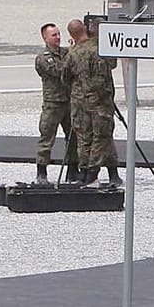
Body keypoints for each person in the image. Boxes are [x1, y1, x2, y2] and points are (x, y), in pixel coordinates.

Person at [63, 18, 119, 185]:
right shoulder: (102, 49)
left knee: (84, 138)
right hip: (101, 102)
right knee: (101, 137)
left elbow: (65, 77)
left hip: (80, 103)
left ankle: (85, 170)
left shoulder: (72, 53)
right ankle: (93, 173)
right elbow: (113, 64)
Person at [34, 22, 75, 183]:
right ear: (45, 37)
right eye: (54, 35)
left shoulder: (65, 52)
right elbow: (60, 71)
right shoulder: (44, 57)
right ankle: (41, 172)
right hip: (53, 103)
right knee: (47, 137)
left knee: (73, 137)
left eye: (58, 34)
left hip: (68, 101)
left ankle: (72, 169)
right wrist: (72, 55)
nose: (58, 37)